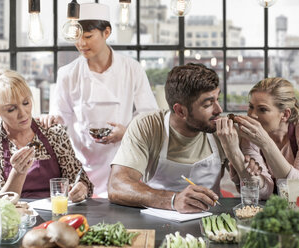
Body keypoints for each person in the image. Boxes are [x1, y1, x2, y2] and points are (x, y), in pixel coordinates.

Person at [108, 63, 260, 213]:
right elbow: (117, 186)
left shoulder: (222, 129)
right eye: (208, 104)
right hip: (158, 221)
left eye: (217, 99)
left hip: (211, 221)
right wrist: (173, 200)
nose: (219, 110)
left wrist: (234, 152)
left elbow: (253, 190)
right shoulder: (148, 126)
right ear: (180, 110)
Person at [42, 3, 158, 198]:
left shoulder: (132, 69)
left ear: (107, 32)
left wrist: (126, 131)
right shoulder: (67, 74)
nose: (81, 44)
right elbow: (59, 117)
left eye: (88, 36)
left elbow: (149, 116)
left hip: (122, 161)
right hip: (81, 164)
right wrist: (50, 120)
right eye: (77, 37)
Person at [0, 69, 94, 201]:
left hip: (57, 216)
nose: (23, 113)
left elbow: (79, 179)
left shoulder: (53, 133)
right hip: (15, 219)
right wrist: (17, 173)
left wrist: (81, 187)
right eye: (11, 109)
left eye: (26, 103)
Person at [231, 77, 299, 195]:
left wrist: (265, 143)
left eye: (262, 109)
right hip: (272, 207)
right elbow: (264, 192)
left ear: (285, 114)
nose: (252, 115)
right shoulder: (250, 138)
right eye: (251, 107)